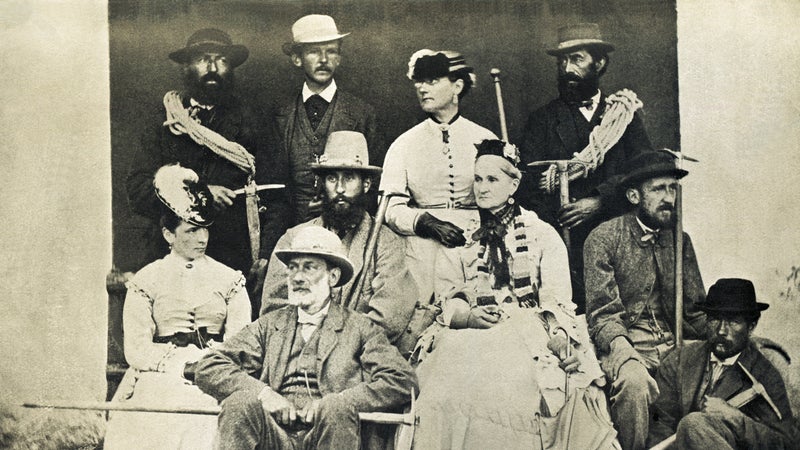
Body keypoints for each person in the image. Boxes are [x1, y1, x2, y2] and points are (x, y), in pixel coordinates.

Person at [411, 140, 615, 450]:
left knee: (511, 387)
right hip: (471, 330)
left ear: (514, 183)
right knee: (446, 386)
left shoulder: (540, 233)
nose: (482, 187)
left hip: (526, 329)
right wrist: (466, 316)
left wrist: (559, 334)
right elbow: (448, 294)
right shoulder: (462, 236)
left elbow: (557, 299)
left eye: (492, 179)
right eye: (478, 179)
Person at [195, 226, 418, 450]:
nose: (298, 277)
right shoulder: (270, 325)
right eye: (293, 268)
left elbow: (401, 380)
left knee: (335, 408)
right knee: (239, 403)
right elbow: (209, 366)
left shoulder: (360, 328)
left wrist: (342, 401)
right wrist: (265, 394)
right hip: (274, 435)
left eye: (309, 268)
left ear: (333, 276)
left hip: (329, 434)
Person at [125, 28, 289, 316]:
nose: (212, 69)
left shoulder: (255, 123)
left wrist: (264, 258)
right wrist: (201, 194)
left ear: (232, 67)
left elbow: (277, 196)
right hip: (170, 260)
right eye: (203, 59)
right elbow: (137, 190)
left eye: (221, 60)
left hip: (232, 264)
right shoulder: (163, 122)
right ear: (186, 66)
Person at [105, 164, 252, 449]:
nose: (202, 239)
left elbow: (240, 340)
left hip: (214, 370)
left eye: (205, 230)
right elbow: (136, 348)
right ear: (168, 235)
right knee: (154, 410)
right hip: (160, 372)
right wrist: (175, 365)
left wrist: (210, 364)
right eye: (192, 230)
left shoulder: (230, 279)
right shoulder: (147, 280)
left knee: (212, 414)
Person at [519, 23, 653, 314]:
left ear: (599, 63)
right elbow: (527, 185)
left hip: (617, 241)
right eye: (562, 62)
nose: (567, 68)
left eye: (577, 59)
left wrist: (600, 200)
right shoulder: (541, 121)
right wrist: (555, 223)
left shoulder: (623, 116)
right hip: (563, 245)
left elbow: (644, 175)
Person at [584, 150, 707, 450]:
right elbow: (603, 315)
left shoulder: (680, 239)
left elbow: (695, 310)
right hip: (627, 344)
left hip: (677, 343)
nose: (668, 197)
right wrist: (625, 355)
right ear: (634, 196)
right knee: (634, 385)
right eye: (658, 189)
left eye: (672, 189)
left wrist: (729, 335)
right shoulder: (603, 239)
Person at [261, 131, 420, 355]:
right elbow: (273, 310)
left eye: (349, 178)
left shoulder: (386, 244)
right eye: (332, 178)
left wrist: (339, 349)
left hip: (357, 360)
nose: (340, 189)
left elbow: (388, 318)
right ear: (322, 183)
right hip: (295, 357)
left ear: (366, 184)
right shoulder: (293, 240)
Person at [380, 49, 498, 305]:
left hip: (475, 246)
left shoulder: (486, 140)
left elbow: (502, 199)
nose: (422, 88)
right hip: (420, 251)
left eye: (432, 81)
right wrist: (424, 222)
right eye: (419, 81)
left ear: (457, 86)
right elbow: (389, 208)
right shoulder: (404, 144)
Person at [648, 278, 797, 449]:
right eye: (714, 319)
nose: (721, 330)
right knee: (692, 425)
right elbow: (660, 426)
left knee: (693, 423)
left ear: (751, 326)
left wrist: (735, 419)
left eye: (733, 321)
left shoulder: (765, 374)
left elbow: (786, 444)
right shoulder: (679, 361)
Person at [276, 14, 385, 224]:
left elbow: (375, 186)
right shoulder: (281, 115)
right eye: (314, 52)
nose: (324, 60)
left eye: (331, 51)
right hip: (294, 232)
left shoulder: (363, 114)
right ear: (297, 58)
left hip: (350, 229)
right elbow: (276, 192)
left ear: (339, 58)